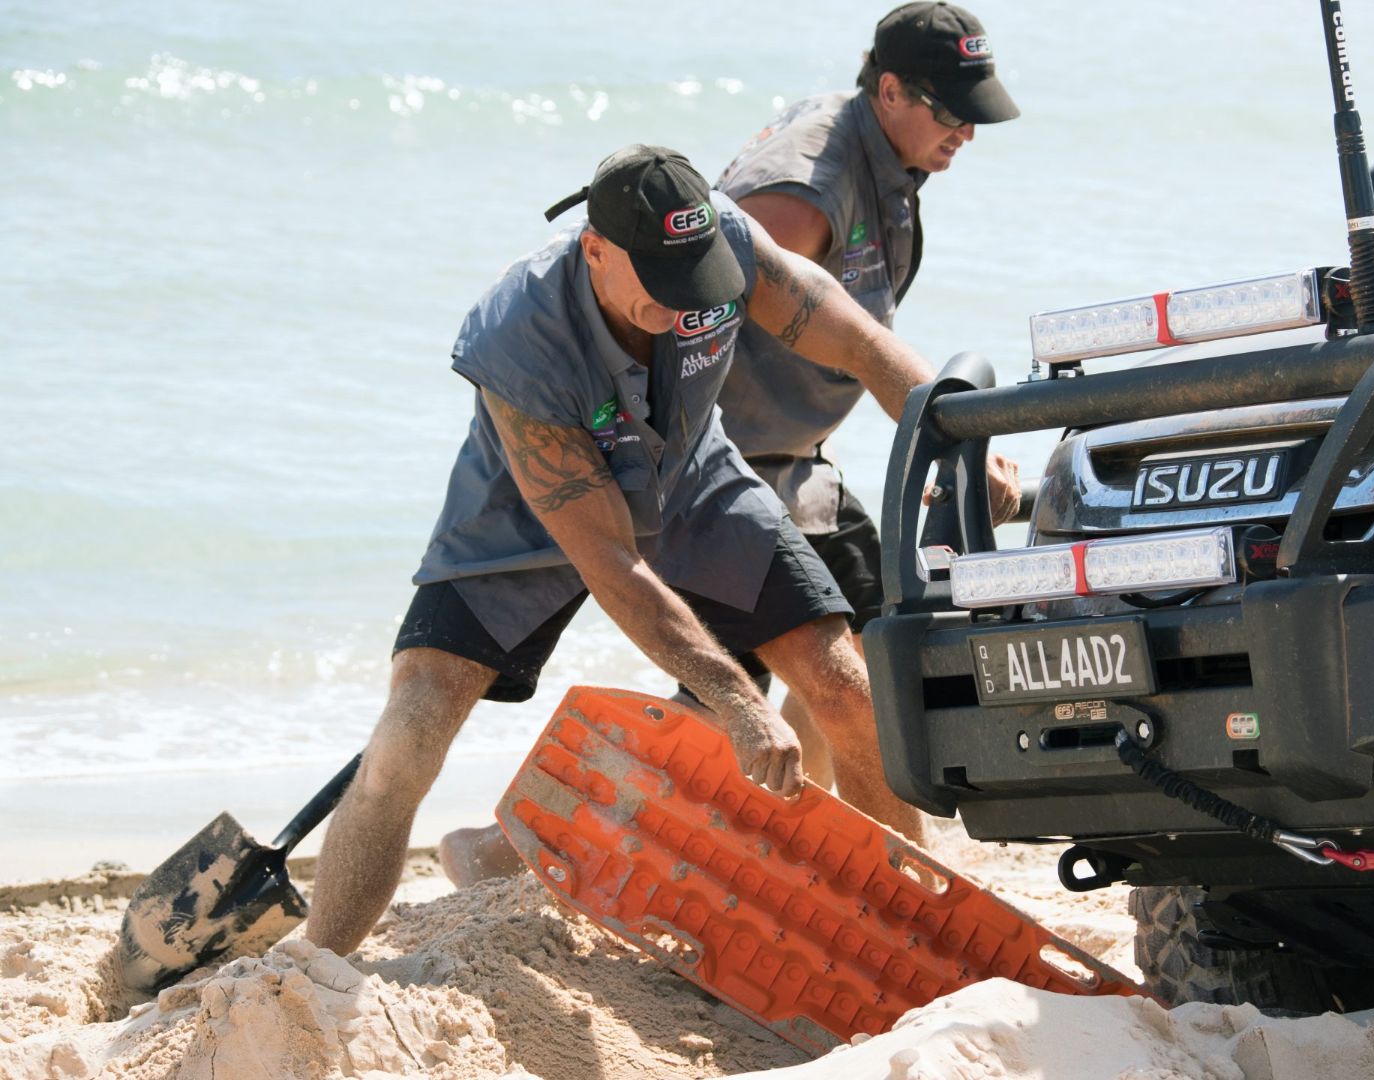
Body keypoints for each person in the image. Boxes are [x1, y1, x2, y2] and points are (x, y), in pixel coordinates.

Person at [307, 144, 1010, 954]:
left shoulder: (727, 244)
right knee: (411, 730)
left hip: (688, 473)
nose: (686, 308)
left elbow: (857, 342)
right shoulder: (518, 336)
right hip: (531, 511)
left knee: (843, 684)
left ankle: (912, 932)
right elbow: (610, 562)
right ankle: (316, 970)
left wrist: (955, 438)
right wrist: (738, 704)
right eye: (665, 288)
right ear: (594, 248)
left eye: (698, 285)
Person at [713, 0, 1021, 786]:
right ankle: (498, 846)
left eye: (975, 112)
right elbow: (701, 341)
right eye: (950, 111)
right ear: (890, 91)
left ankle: (819, 833)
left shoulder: (884, 152)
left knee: (873, 657)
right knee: (726, 706)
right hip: (721, 477)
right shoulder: (799, 194)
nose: (967, 133)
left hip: (795, 466)